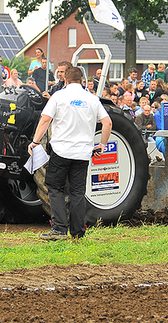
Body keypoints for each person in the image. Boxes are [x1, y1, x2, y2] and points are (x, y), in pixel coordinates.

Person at [28, 66, 112, 240]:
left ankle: (59, 228)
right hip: (83, 153)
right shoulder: (92, 99)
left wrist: (35, 142)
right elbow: (107, 123)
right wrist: (102, 145)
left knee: (55, 188)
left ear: (65, 80)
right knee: (77, 192)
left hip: (61, 151)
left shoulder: (59, 96)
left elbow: (45, 119)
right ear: (82, 81)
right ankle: (77, 232)